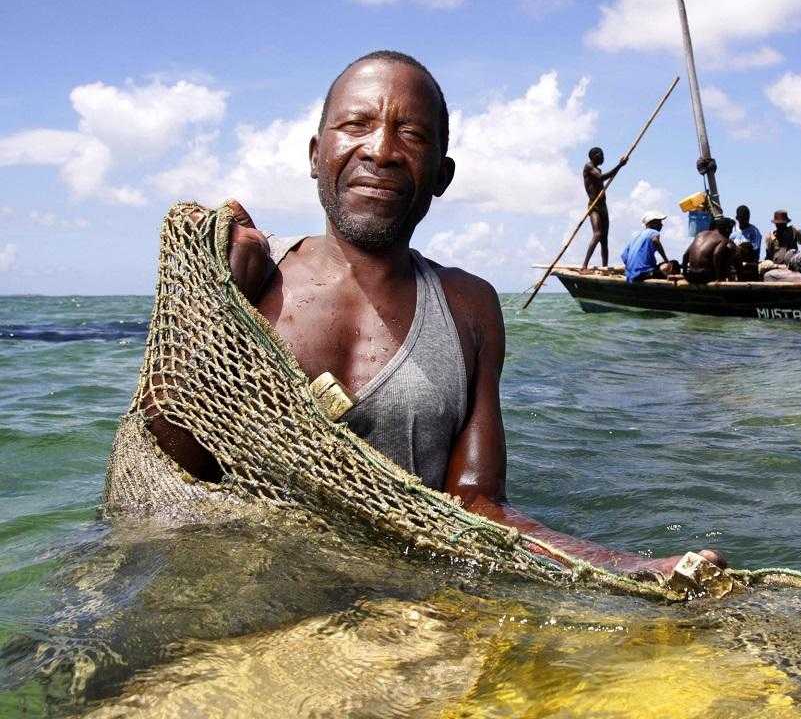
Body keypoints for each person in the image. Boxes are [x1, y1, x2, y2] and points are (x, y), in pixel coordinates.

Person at [140, 51, 718, 578]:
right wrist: (209, 311)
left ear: (442, 175)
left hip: (406, 601)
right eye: (356, 125)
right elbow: (165, 476)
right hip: (245, 590)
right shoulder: (242, 273)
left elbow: (477, 504)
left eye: (411, 134)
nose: (381, 150)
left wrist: (623, 567)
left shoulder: (470, 307)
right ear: (316, 155)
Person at [581, 147, 627, 269]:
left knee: (604, 239)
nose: (603, 157)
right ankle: (584, 266)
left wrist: (620, 166)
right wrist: (619, 165)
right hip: (594, 206)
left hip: (603, 206)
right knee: (597, 234)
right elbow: (601, 178)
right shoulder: (588, 167)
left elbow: (603, 178)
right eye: (601, 155)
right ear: (594, 156)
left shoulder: (598, 170)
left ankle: (605, 267)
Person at [621, 210, 675, 282]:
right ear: (652, 223)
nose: (661, 225)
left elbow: (623, 255)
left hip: (630, 274)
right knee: (674, 263)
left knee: (662, 266)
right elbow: (655, 241)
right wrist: (666, 260)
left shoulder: (636, 235)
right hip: (644, 273)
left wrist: (631, 268)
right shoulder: (653, 232)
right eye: (659, 222)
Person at [682, 216, 737, 284]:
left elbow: (685, 255)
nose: (730, 233)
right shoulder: (723, 238)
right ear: (727, 229)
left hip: (691, 275)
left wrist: (685, 274)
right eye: (731, 230)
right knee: (730, 248)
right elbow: (716, 254)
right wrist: (718, 278)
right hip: (704, 276)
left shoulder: (700, 234)